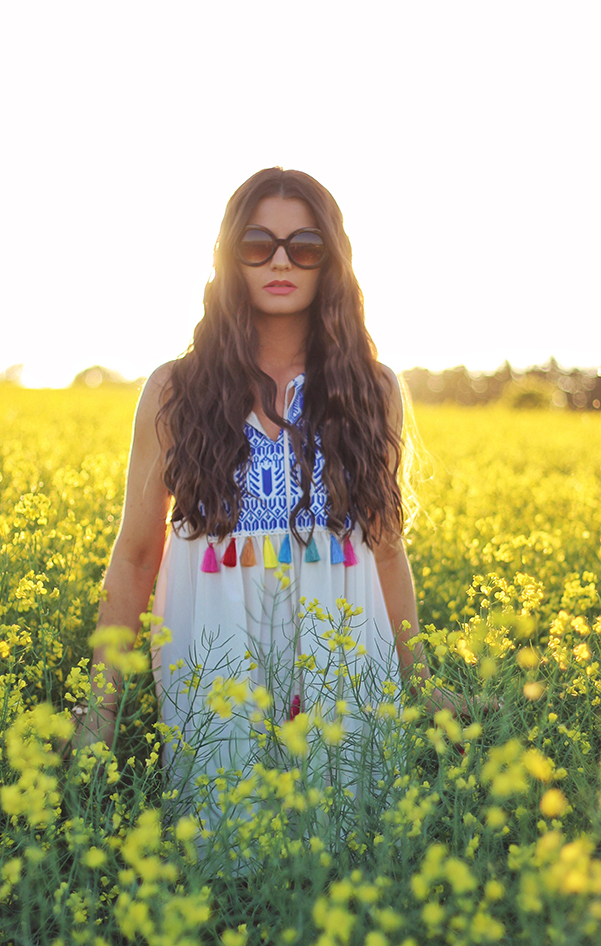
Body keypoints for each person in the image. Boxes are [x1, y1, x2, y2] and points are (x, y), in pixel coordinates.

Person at [71, 167, 463, 768]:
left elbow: (386, 547)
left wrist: (422, 683)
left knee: (346, 840)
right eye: (259, 245)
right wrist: (98, 712)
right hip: (213, 647)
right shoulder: (174, 389)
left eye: (304, 247)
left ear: (330, 260)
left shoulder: (372, 387)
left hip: (344, 648)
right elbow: (134, 555)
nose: (281, 263)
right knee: (224, 843)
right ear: (231, 257)